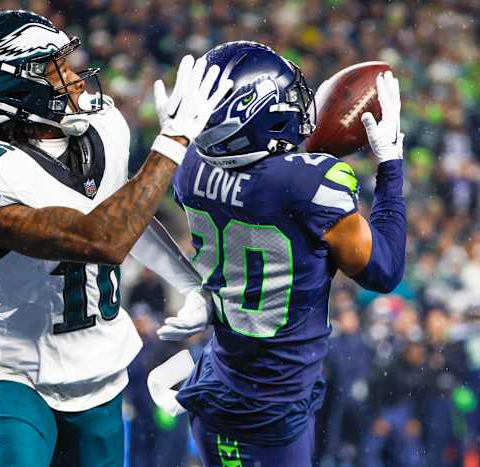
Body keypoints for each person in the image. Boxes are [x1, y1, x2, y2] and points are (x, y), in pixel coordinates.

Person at [0, 10, 232, 467]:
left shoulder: (105, 125)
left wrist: (191, 285)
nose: (74, 79)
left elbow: (127, 216)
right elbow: (103, 239)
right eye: (53, 69)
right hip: (19, 376)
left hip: (102, 374)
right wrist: (173, 141)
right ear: (9, 90)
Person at [150, 41, 406, 466]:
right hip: (270, 405)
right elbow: (385, 271)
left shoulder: (190, 168)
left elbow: (259, 189)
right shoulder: (311, 185)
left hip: (219, 380)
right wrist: (391, 164)